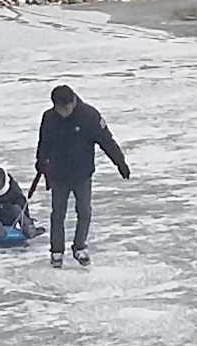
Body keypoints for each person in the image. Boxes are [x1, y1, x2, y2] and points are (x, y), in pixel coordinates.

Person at [31, 85, 129, 267]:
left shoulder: (89, 116)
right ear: (55, 106)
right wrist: (41, 161)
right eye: (60, 109)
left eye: (67, 108)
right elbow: (44, 142)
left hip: (82, 174)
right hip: (59, 174)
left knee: (84, 211)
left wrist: (120, 162)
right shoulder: (49, 118)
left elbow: (106, 141)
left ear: (73, 102)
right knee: (57, 214)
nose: (64, 112)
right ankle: (57, 251)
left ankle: (79, 247)